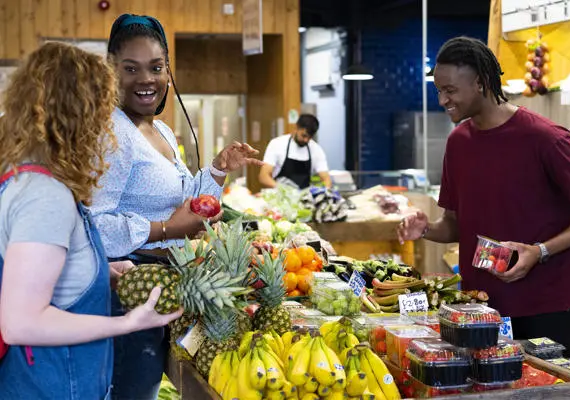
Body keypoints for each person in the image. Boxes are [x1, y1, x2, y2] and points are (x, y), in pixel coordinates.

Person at [397, 37, 570, 360]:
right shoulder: (458, 143)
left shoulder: (546, 138)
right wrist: (427, 228)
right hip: (479, 312)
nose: (443, 100)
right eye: (439, 91)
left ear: (482, 83)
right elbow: (455, 225)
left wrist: (540, 251)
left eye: (451, 90)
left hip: (545, 312)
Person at [89, 14, 261, 400]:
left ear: (169, 72)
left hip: (162, 286)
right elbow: (95, 225)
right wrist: (166, 230)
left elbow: (191, 206)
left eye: (156, 67)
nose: (146, 79)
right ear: (111, 72)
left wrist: (217, 169)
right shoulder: (110, 132)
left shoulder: (160, 129)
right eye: (130, 69)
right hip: (126, 288)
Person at [0, 42, 181, 399]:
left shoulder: (23, 176)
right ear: (76, 116)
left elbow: (40, 269)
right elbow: (21, 323)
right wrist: (127, 322)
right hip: (52, 386)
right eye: (100, 112)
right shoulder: (45, 195)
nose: (105, 127)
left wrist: (101, 271)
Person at [259, 114, 332, 189]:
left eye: (310, 137)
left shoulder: (316, 150)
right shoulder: (277, 144)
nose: (306, 140)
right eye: (304, 135)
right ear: (296, 127)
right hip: (280, 195)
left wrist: (324, 192)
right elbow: (263, 177)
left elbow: (326, 180)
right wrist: (284, 190)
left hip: (304, 198)